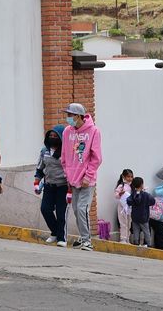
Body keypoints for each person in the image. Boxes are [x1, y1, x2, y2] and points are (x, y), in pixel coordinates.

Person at [60, 102, 101, 251]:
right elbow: (64, 155)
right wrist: (67, 173)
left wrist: (88, 176)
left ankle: (87, 240)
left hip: (86, 180)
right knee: (77, 210)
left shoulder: (94, 131)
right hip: (72, 178)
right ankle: (83, 237)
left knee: (82, 208)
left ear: (78, 116)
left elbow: (96, 158)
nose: (68, 118)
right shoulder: (67, 131)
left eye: (70, 115)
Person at [34, 125, 69, 247]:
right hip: (49, 186)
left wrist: (70, 190)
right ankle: (54, 232)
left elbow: (70, 170)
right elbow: (39, 168)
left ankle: (61, 238)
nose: (52, 138)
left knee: (61, 213)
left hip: (63, 187)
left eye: (55, 136)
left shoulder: (66, 152)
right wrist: (36, 183)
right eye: (50, 136)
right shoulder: (44, 151)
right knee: (45, 209)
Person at [127, 177, 155, 247]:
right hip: (143, 216)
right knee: (146, 231)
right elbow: (152, 201)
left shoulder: (133, 194)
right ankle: (149, 244)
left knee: (136, 230)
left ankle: (136, 243)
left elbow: (129, 202)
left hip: (135, 216)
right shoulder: (146, 195)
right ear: (142, 185)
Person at [114, 168, 134, 244]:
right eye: (128, 176)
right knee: (123, 223)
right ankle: (123, 239)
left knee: (129, 223)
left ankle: (127, 238)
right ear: (124, 176)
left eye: (131, 177)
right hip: (122, 207)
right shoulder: (121, 186)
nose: (130, 178)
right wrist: (120, 194)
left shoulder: (133, 186)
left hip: (130, 207)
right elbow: (116, 195)